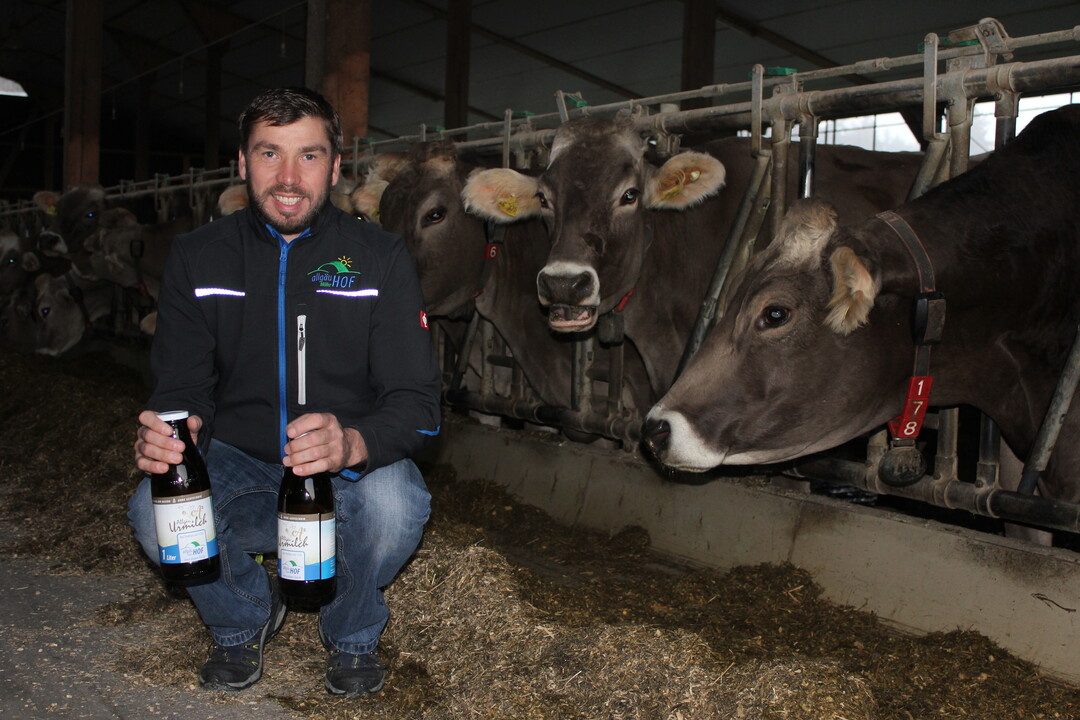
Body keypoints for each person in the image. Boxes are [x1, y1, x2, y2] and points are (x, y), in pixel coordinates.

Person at [128, 87, 442, 697]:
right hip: (237, 459)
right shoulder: (199, 257)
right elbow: (182, 383)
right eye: (270, 154)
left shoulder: (377, 257)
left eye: (310, 155)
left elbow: (420, 408)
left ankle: (352, 631)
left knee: (397, 505)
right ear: (242, 164)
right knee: (150, 510)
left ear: (336, 166)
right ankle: (243, 614)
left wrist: (352, 442)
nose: (290, 177)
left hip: (341, 468)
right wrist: (178, 432)